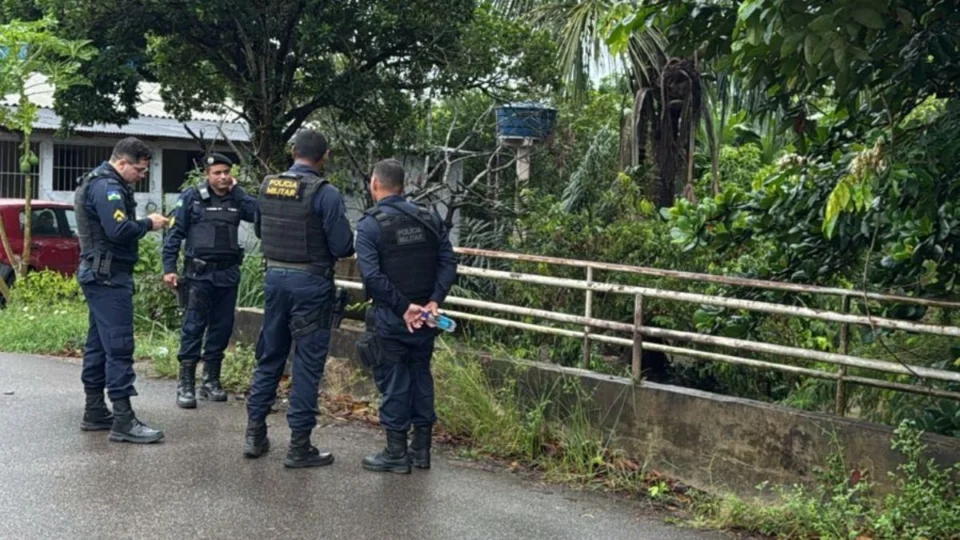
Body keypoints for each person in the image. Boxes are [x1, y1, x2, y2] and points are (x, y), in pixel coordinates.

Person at [244, 130, 355, 468]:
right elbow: (342, 247)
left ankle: (254, 435)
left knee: (270, 356)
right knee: (306, 364)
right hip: (310, 283)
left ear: (293, 152)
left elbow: (261, 231)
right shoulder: (325, 193)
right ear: (325, 156)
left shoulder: (268, 185)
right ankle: (299, 446)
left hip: (275, 280)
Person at [355, 158, 457, 474]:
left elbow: (371, 276)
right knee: (420, 375)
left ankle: (396, 453)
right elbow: (448, 262)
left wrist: (403, 308)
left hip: (393, 317)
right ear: (404, 185)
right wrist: (432, 302)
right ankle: (421, 452)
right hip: (426, 318)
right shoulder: (429, 218)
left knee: (395, 379)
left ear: (375, 183)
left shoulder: (371, 224)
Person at [75, 137, 169, 444]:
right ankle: (123, 420)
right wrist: (148, 224)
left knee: (99, 345)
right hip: (108, 276)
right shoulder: (107, 187)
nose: (141, 176)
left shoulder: (99, 181)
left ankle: (94, 411)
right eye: (139, 170)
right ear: (122, 163)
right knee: (119, 345)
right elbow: (118, 230)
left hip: (100, 274)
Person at [162, 153, 258, 409]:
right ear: (207, 174)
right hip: (199, 274)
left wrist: (239, 192)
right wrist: (169, 268)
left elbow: (260, 213)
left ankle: (211, 381)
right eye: (217, 172)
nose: (223, 177)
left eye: (226, 172)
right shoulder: (192, 197)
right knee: (193, 327)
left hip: (227, 274)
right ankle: (186, 384)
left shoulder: (236, 198)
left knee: (222, 328)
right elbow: (174, 233)